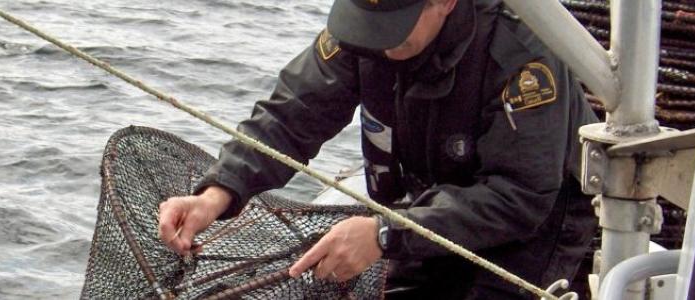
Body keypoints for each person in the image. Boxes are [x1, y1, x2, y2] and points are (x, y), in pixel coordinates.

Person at [158, 0, 599, 298]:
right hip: (426, 202)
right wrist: (217, 194)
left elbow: (519, 196)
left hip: (534, 226)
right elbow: (292, 114)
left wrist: (387, 235)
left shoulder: (521, 56)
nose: (379, 44)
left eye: (394, 28)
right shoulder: (364, 35)